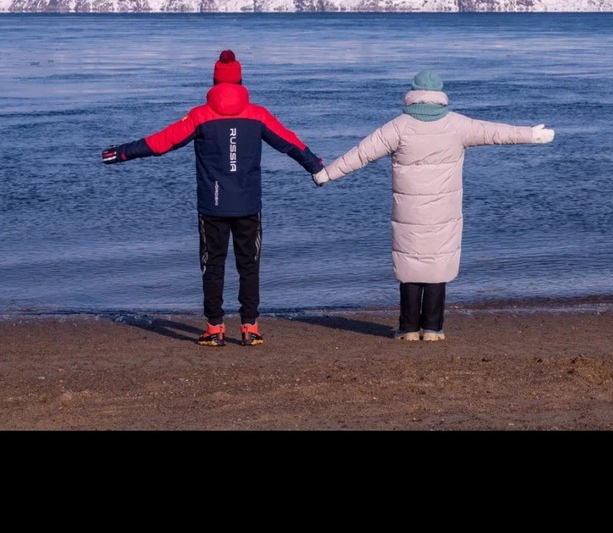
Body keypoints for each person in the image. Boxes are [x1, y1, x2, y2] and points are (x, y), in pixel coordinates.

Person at [312, 70, 554, 341]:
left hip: (408, 212)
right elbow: (496, 132)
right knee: (437, 266)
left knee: (410, 267)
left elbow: (360, 154)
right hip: (444, 212)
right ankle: (433, 329)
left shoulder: (398, 127)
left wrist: (326, 174)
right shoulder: (458, 125)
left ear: (413, 94)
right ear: (439, 95)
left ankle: (408, 329)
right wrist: (531, 135)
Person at [102, 49, 323, 347]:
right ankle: (250, 327)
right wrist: (316, 166)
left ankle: (215, 328)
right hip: (248, 205)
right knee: (249, 266)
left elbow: (161, 142)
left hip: (213, 206)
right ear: (241, 81)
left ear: (214, 81)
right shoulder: (258, 115)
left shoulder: (199, 116)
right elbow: (290, 143)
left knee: (213, 265)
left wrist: (122, 152)